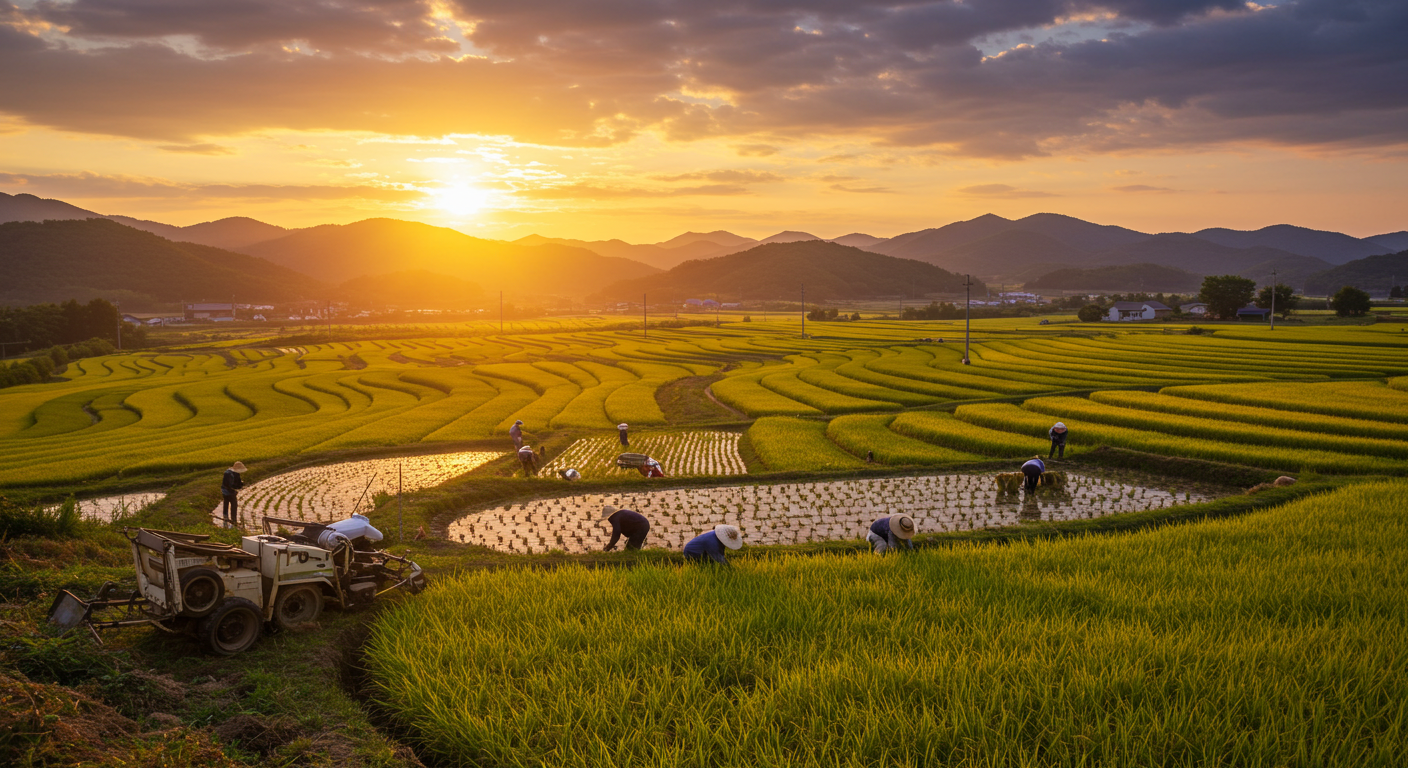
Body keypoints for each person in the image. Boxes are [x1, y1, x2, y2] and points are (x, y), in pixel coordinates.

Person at [220, 461, 246, 528]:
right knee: (231, 503)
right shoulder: (227, 473)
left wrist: (241, 485)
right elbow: (226, 485)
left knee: (230, 504)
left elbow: (238, 482)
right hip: (226, 491)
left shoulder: (236, 473)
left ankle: (231, 518)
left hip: (231, 490)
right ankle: (229, 518)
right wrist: (233, 491)